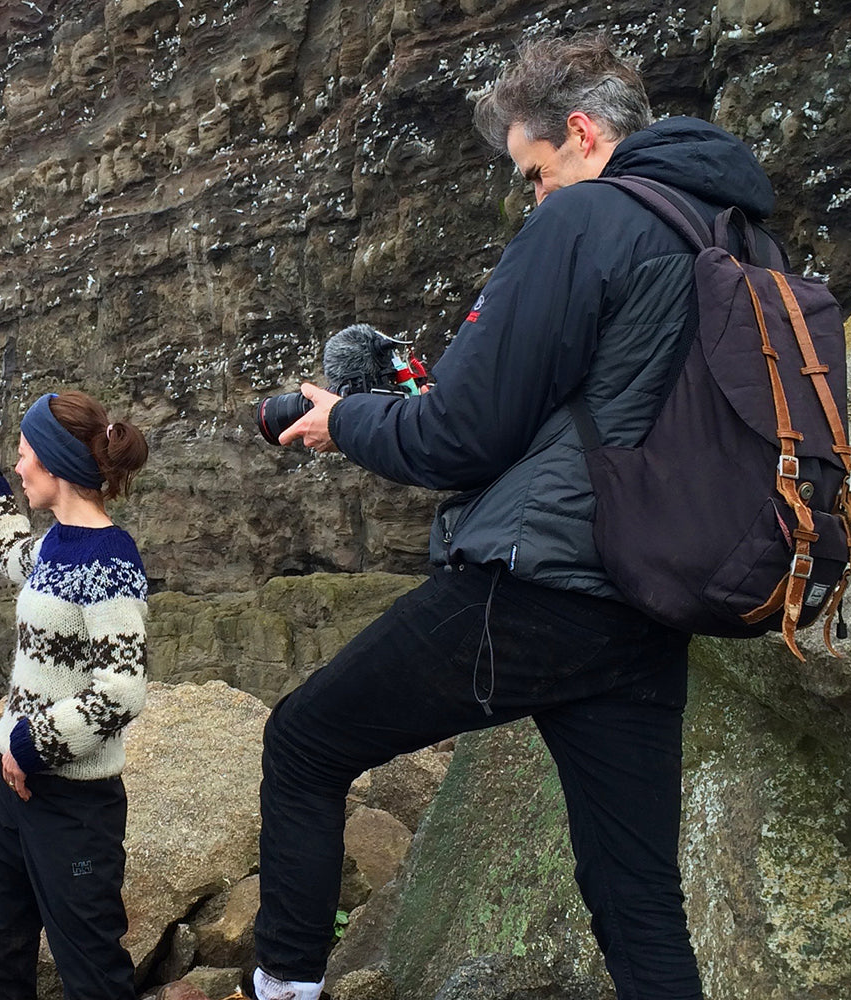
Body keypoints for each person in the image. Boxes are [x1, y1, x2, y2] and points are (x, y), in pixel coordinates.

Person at [240, 33, 765, 1000]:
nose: (533, 197)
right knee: (638, 897)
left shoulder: (586, 222)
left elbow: (457, 437)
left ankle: (283, 990)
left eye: (534, 173)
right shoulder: (732, 231)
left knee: (305, 743)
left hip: (541, 590)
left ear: (581, 133)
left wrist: (344, 418)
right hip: (652, 598)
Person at [0, 391, 150, 1000]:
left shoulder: (110, 559)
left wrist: (27, 743)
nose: (19, 469)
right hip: (9, 787)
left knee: (91, 965)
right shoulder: (55, 545)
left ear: (55, 464)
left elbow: (122, 688)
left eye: (22, 456)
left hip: (72, 803)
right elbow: (14, 554)